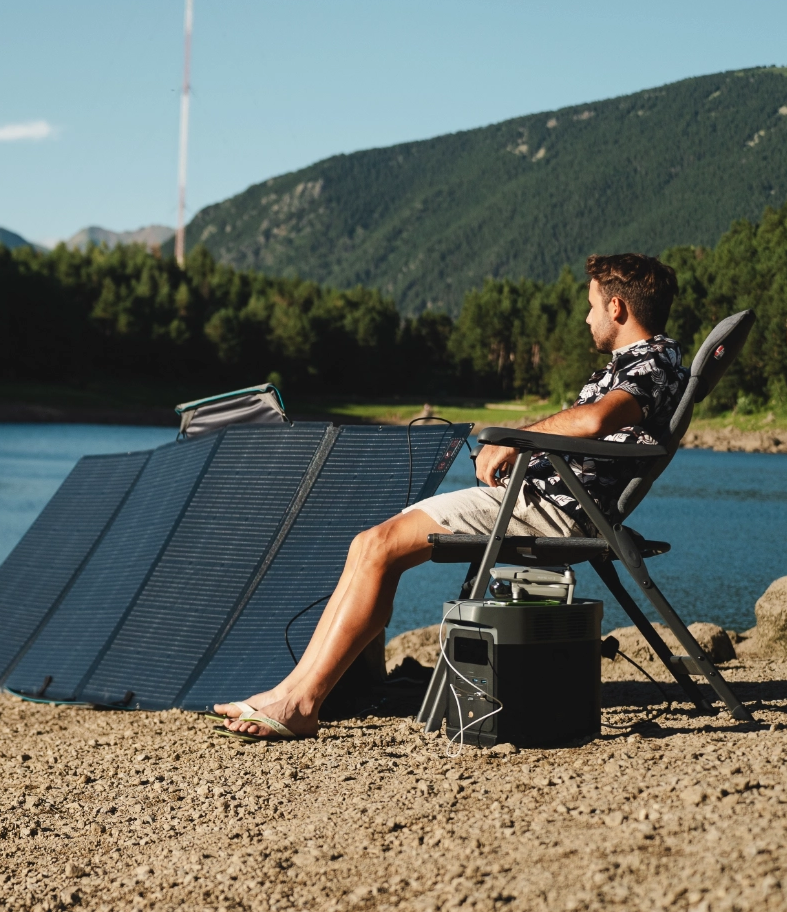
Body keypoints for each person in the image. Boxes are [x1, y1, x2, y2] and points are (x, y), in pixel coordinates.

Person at [214, 252, 688, 739]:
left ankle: (302, 701)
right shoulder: (647, 361)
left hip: (552, 510)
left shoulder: (652, 361)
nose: (586, 317)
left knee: (378, 547)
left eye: (590, 306)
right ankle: (291, 693)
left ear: (616, 308)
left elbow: (594, 421)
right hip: (546, 499)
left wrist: (512, 438)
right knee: (368, 546)